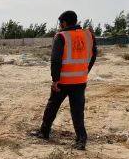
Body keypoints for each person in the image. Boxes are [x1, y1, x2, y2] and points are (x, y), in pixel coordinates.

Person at [32, 10, 97, 150]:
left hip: (63, 82)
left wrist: (55, 80)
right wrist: (85, 70)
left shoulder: (61, 36)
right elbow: (93, 54)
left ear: (64, 22)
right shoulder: (89, 35)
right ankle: (81, 140)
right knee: (77, 111)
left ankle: (44, 132)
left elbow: (55, 60)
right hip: (80, 81)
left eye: (60, 23)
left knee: (52, 106)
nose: (60, 25)